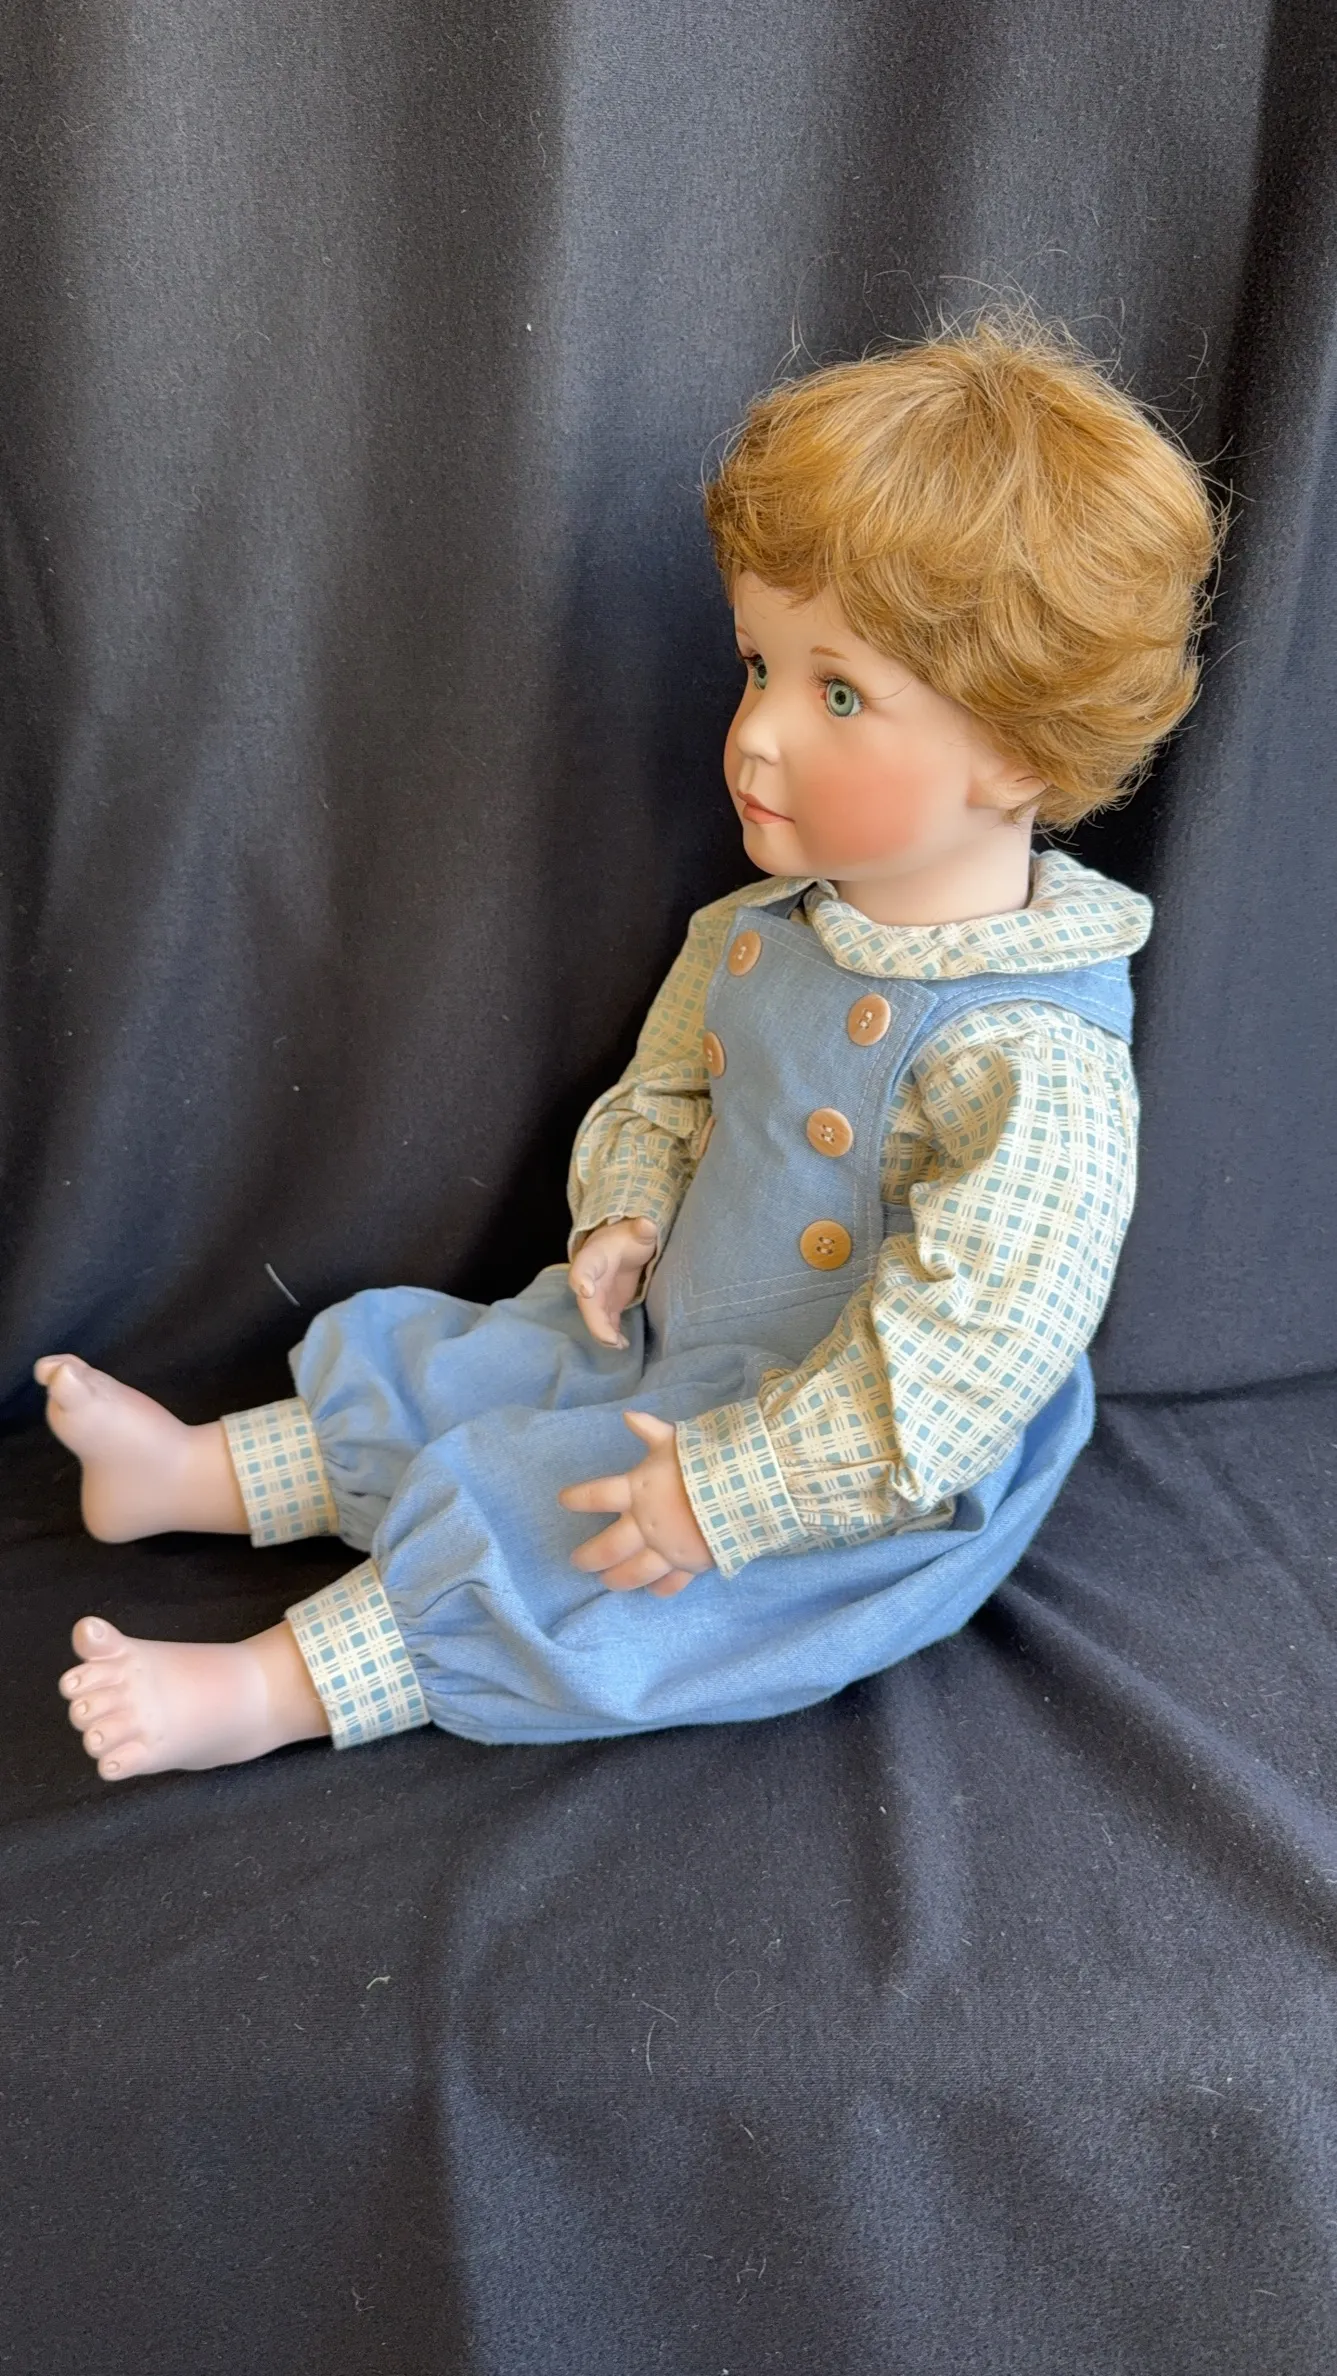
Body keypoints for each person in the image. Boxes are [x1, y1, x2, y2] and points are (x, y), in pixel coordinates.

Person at [37, 307, 1223, 1780]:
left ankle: (273, 1685)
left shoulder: (1030, 1062)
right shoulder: (763, 928)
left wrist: (731, 1494)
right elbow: (671, 1093)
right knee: (474, 1370)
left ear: (1018, 752)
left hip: (826, 1466)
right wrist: (628, 1213)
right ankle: (192, 1475)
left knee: (566, 1535)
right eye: (757, 665)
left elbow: (961, 1370)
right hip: (671, 1330)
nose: (759, 733)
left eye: (838, 693)